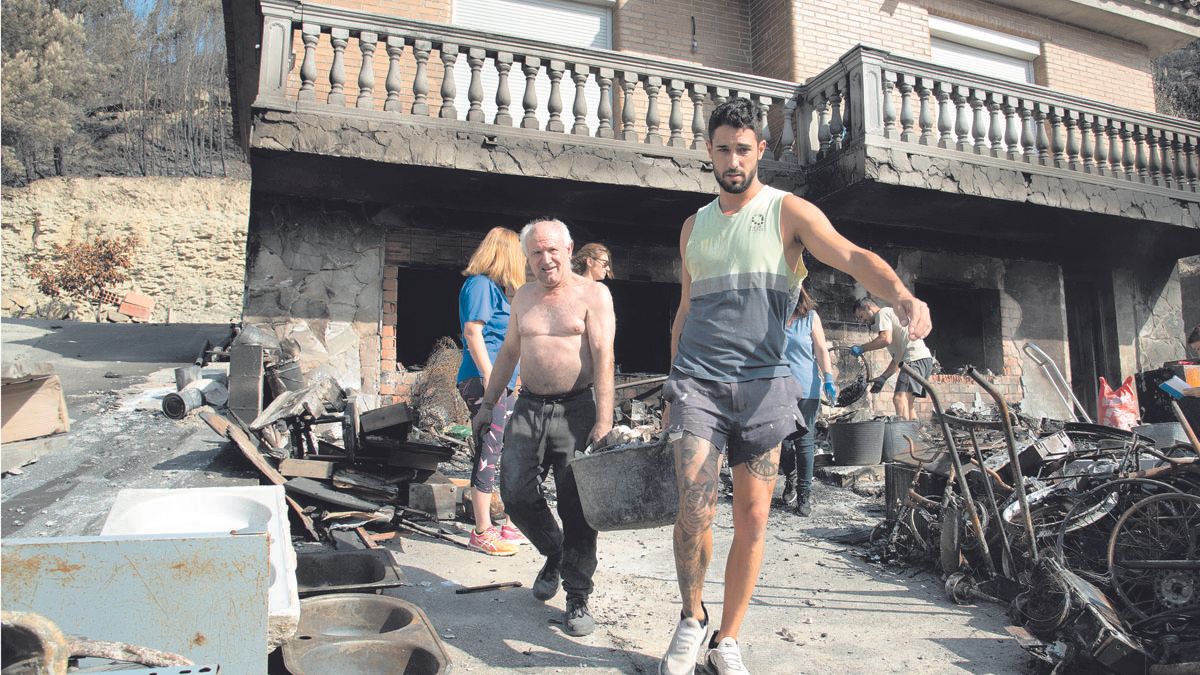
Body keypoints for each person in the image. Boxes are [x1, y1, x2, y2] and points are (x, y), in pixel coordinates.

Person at [661, 98, 931, 675]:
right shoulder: (693, 226)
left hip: (765, 386)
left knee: (754, 517)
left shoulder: (788, 212)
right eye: (722, 149)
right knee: (694, 507)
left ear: (761, 150)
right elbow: (684, 309)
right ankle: (691, 618)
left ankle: (726, 639)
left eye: (743, 148)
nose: (733, 159)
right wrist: (672, 380)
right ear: (708, 152)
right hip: (699, 384)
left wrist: (901, 296)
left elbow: (854, 255)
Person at [472, 218, 616, 638]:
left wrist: (605, 420)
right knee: (514, 492)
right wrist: (488, 404)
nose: (545, 259)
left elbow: (604, 356)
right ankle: (554, 553)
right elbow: (509, 353)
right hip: (530, 407)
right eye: (536, 252)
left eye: (552, 250)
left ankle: (577, 596)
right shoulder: (523, 297)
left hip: (577, 411)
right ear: (527, 257)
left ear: (569, 250)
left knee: (577, 506)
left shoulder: (594, 294)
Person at [456, 227, 528, 556]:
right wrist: (490, 378)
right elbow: (473, 332)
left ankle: (508, 525)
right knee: (490, 450)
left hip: (504, 383)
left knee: (511, 450)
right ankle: (482, 532)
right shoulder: (480, 285)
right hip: (486, 382)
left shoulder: (496, 290)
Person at [779, 287, 836, 517]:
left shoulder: (811, 317)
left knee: (804, 443)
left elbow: (821, 348)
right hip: (779, 389)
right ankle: (790, 478)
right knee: (783, 442)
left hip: (807, 388)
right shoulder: (774, 316)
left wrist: (829, 377)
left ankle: (804, 494)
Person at [850, 297, 935, 421]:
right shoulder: (892, 317)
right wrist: (883, 377)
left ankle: (902, 437)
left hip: (914, 359)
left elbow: (885, 339)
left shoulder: (883, 313)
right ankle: (915, 437)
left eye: (862, 316)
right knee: (909, 405)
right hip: (923, 359)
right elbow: (898, 359)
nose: (863, 321)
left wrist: (862, 348)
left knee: (899, 399)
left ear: (868, 308)